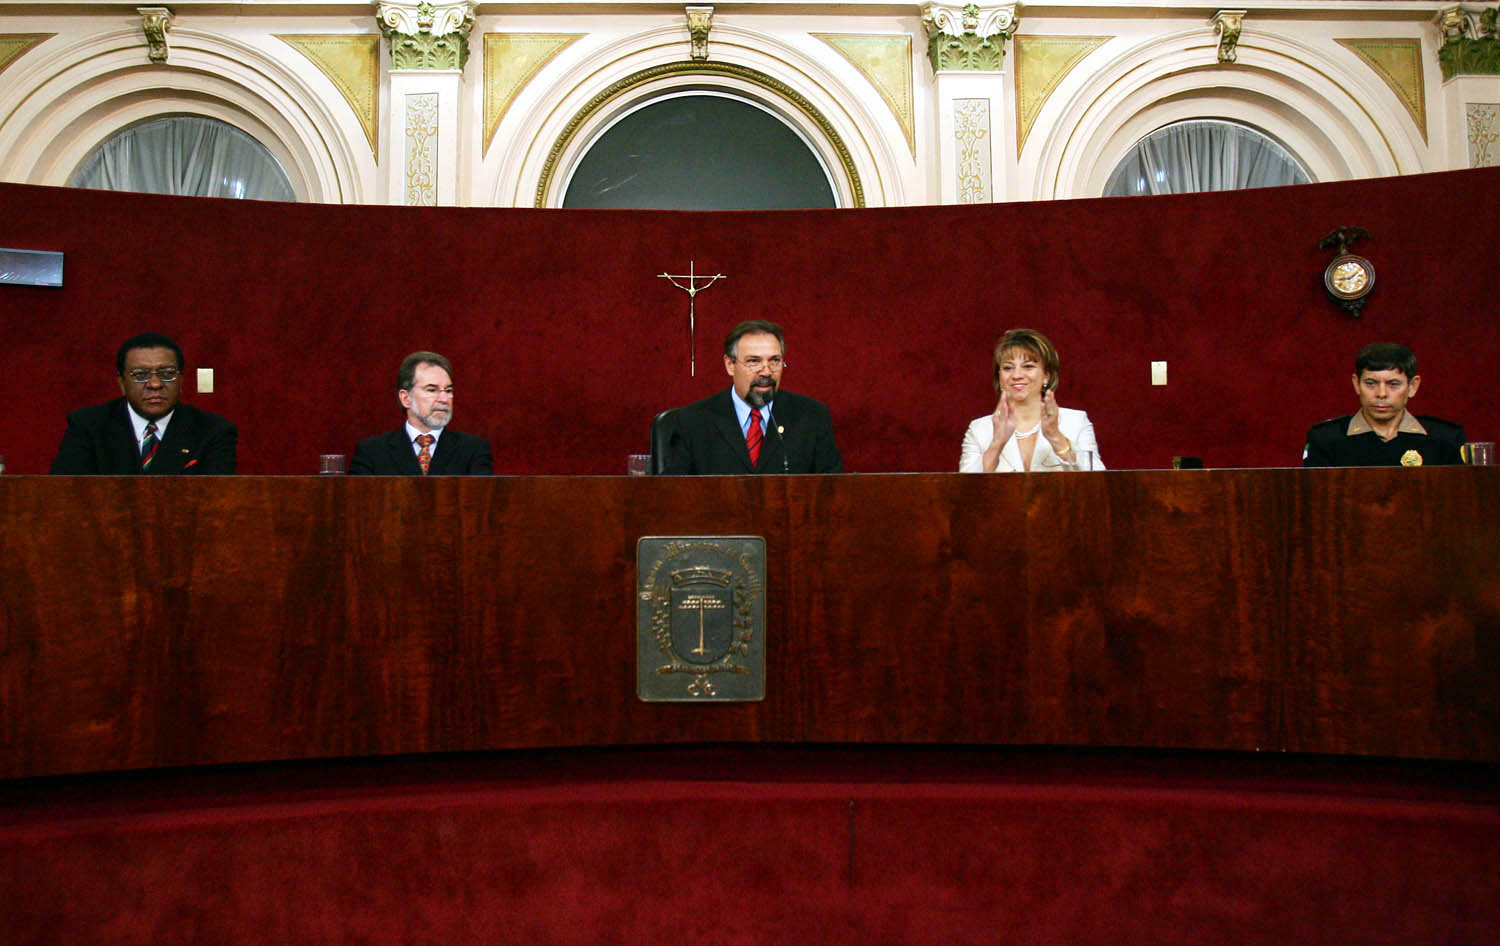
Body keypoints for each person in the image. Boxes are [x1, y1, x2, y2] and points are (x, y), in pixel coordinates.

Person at [662, 320, 842, 474]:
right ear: (730, 365)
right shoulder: (692, 421)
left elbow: (832, 494)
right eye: (753, 361)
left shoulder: (812, 417)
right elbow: (674, 497)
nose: (766, 371)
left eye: (774, 361)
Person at [50, 332, 237, 474]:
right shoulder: (88, 426)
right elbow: (65, 496)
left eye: (167, 374)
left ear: (181, 380)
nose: (155, 384)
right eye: (140, 375)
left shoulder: (214, 431)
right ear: (121, 383)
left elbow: (218, 502)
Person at [959, 328, 1102, 472]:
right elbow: (965, 491)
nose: (1017, 375)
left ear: (1046, 375)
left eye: (1028, 366)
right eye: (1008, 368)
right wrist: (997, 444)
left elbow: (1097, 485)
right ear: (1000, 377)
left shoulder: (1076, 421)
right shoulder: (979, 430)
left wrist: (1055, 436)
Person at [1304, 342, 1464, 467]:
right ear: (1356, 384)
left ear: (1412, 386)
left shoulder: (1444, 439)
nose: (1381, 393)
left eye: (1393, 384)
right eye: (1371, 383)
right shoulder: (1326, 440)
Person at [350, 351, 493, 475]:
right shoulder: (372, 452)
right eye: (431, 390)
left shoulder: (473, 450)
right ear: (406, 398)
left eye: (448, 391)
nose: (444, 399)